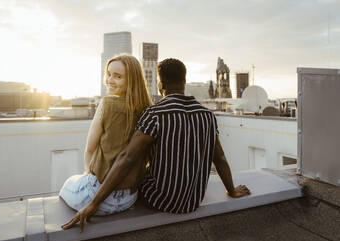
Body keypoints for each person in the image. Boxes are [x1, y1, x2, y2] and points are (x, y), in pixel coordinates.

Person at [62, 58, 250, 232]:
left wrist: (94, 203)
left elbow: (127, 158)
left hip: (160, 200)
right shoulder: (207, 115)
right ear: (184, 82)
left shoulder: (155, 114)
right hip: (193, 201)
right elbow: (220, 158)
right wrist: (231, 190)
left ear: (160, 85)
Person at [59, 54, 152, 215]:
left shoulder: (107, 104)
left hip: (97, 197)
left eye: (118, 76)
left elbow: (89, 149)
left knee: (67, 184)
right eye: (108, 74)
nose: (110, 80)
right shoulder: (148, 110)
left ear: (131, 81)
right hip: (129, 198)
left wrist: (87, 173)